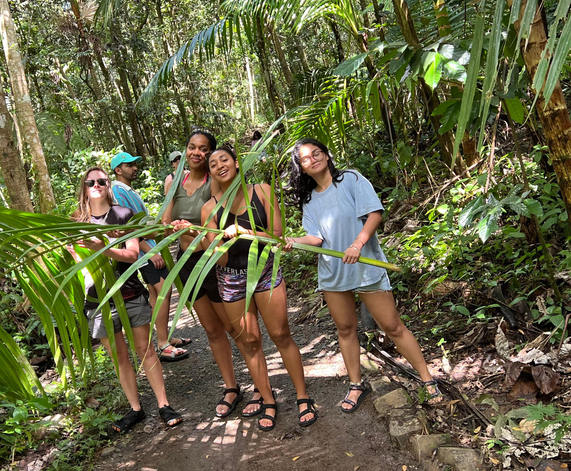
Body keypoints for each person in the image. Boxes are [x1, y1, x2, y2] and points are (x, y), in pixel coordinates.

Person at [283, 139, 443, 412]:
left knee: (392, 326)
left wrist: (357, 244)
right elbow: (316, 237)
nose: (313, 159)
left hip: (365, 267)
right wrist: (293, 241)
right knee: (345, 329)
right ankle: (356, 384)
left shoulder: (351, 179)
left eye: (316, 153)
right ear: (302, 168)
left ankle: (427, 379)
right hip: (334, 272)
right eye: (305, 159)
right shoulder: (310, 200)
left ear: (326, 155)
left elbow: (374, 213)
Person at [201, 145, 317, 431]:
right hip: (231, 278)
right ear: (211, 174)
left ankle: (303, 397)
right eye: (213, 164)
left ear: (237, 163)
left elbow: (277, 236)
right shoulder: (209, 208)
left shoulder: (262, 191)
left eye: (224, 160)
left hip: (265, 271)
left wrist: (245, 232)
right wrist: (207, 237)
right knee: (250, 342)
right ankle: (268, 400)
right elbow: (219, 258)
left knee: (280, 334)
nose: (219, 166)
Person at [72, 167, 184, 432]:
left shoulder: (123, 215)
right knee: (119, 356)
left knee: (145, 349)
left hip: (130, 293)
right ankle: (135, 409)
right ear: (84, 187)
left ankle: (164, 405)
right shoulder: (77, 222)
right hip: (97, 300)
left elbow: (133, 255)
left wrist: (103, 248)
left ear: (108, 185)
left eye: (101, 181)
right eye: (91, 182)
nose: (96, 185)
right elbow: (76, 261)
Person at [163, 130, 246, 419]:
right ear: (186, 149)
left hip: (212, 260)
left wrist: (195, 230)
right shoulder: (173, 182)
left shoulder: (214, 181)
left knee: (234, 328)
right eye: (192, 147)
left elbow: (221, 221)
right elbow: (165, 224)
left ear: (210, 153)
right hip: (186, 263)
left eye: (203, 149)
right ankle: (231, 387)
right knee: (211, 330)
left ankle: (260, 385)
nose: (196, 153)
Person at [109, 151, 192, 362]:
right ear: (118, 170)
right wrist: (149, 251)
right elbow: (127, 227)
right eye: (129, 165)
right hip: (143, 250)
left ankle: (165, 337)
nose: (134, 168)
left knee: (157, 292)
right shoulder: (117, 190)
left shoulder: (127, 189)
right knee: (164, 289)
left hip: (147, 247)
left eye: (135, 164)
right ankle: (163, 344)